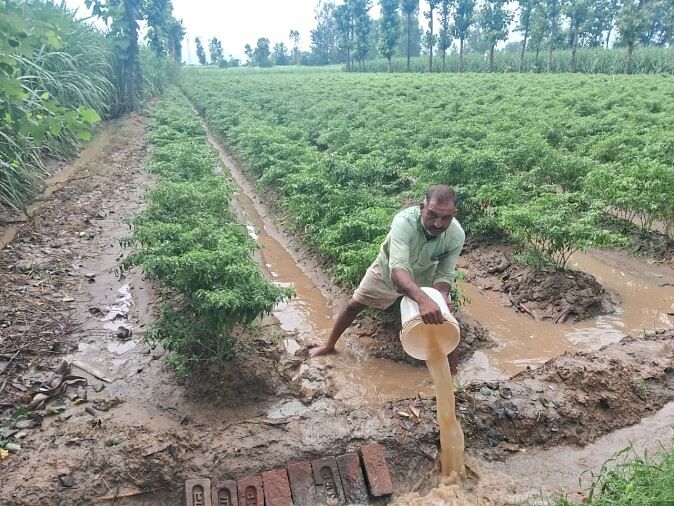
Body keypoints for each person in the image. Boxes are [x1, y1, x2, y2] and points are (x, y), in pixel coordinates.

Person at [310, 184, 465, 372]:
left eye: (446, 217)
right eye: (432, 214)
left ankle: (453, 373)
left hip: (423, 273)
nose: (438, 224)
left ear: (454, 213)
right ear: (421, 207)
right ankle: (329, 345)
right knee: (354, 305)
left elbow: (444, 274)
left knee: (446, 318)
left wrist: (441, 297)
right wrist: (424, 300)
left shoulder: (456, 235)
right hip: (386, 270)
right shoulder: (404, 222)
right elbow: (398, 269)